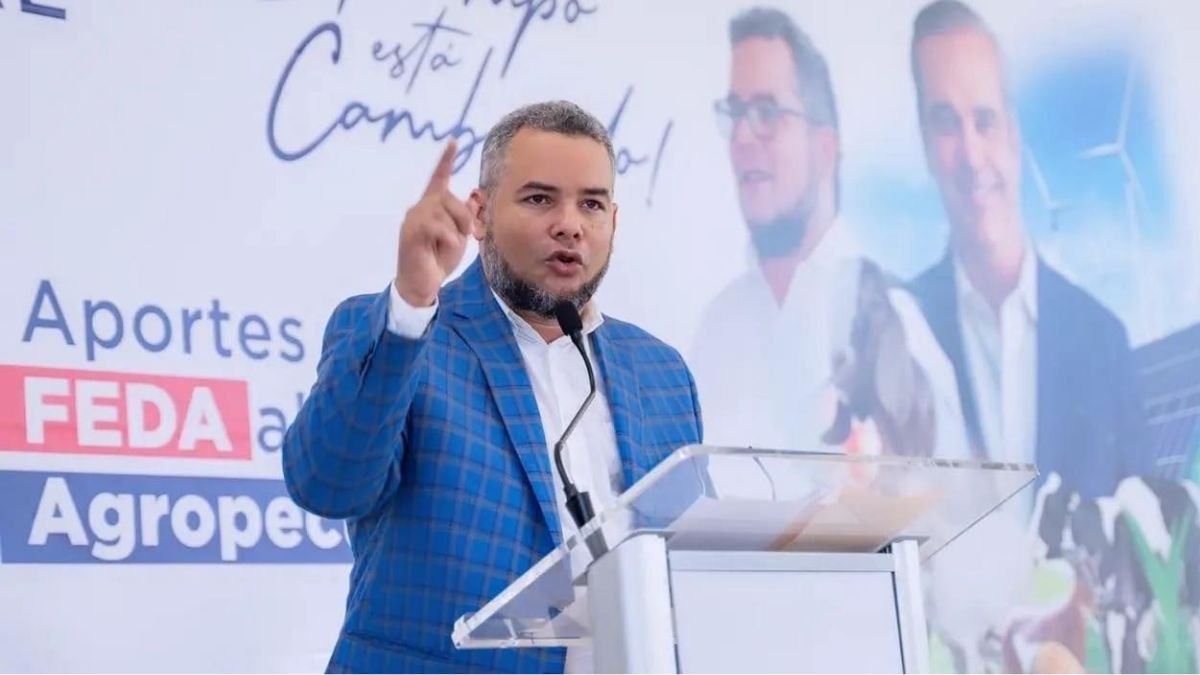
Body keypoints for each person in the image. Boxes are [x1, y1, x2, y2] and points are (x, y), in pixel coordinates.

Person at [282, 101, 703, 673]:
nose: (570, 224)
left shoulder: (661, 371)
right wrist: (410, 302)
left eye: (592, 204)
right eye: (539, 199)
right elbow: (328, 485)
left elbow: (691, 567)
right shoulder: (406, 333)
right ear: (479, 215)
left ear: (613, 221)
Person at [691, 7, 965, 462]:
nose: (742, 137)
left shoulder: (895, 320)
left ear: (825, 146)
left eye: (766, 113)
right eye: (734, 113)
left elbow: (950, 498)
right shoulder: (717, 326)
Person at [906, 0, 1147, 500]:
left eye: (985, 120)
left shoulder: (1104, 342)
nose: (971, 155)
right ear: (925, 143)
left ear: (1014, 134)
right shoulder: (900, 338)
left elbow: (1149, 533)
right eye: (946, 123)